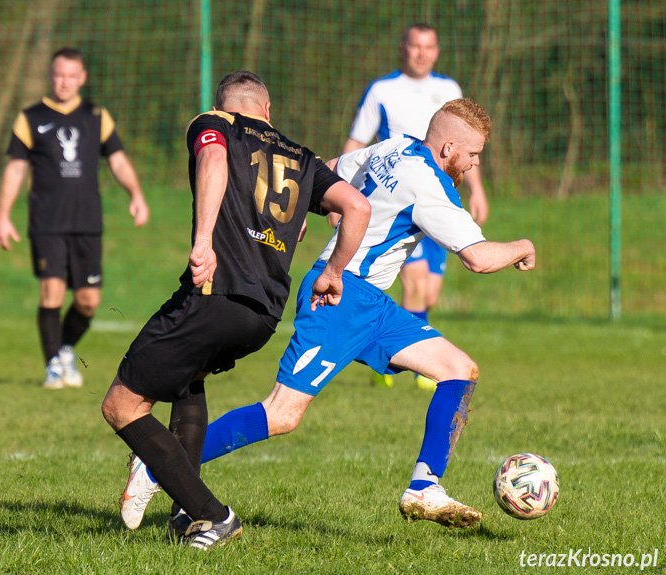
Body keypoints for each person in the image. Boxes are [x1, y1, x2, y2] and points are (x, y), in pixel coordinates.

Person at [121, 99, 536, 530]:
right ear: (449, 147)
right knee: (282, 414)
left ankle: (424, 487)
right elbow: (478, 258)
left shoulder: (395, 148)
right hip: (339, 296)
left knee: (458, 370)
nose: (472, 166)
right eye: (473, 155)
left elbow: (327, 166)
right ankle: (154, 465)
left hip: (371, 305)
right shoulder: (430, 185)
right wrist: (524, 246)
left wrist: (310, 212)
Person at [101, 71, 371, 550]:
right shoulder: (302, 157)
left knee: (121, 405)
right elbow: (356, 207)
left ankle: (213, 515)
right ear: (268, 110)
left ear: (224, 106)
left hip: (215, 294)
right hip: (263, 315)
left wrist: (204, 240)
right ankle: (186, 513)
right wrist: (334, 271)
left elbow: (213, 160)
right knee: (188, 380)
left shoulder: (216, 124)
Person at [341, 22, 490, 390]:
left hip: (439, 201)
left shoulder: (448, 89)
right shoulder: (383, 90)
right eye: (415, 46)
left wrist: (477, 190)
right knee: (416, 282)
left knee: (430, 292)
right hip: (398, 203)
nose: (422, 53)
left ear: (437, 51)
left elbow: (465, 146)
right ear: (402, 48)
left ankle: (394, 355)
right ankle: (414, 365)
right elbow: (355, 143)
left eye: (429, 47)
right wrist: (338, 195)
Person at [0, 47, 149, 390]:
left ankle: (64, 349)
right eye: (58, 74)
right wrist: (2, 215)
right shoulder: (30, 117)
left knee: (88, 301)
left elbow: (118, 160)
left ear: (82, 78)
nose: (64, 81)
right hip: (47, 221)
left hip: (87, 223)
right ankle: (52, 364)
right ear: (51, 76)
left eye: (71, 75)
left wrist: (136, 194)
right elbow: (16, 168)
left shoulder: (96, 116)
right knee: (51, 291)